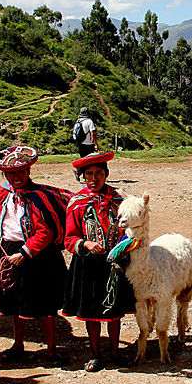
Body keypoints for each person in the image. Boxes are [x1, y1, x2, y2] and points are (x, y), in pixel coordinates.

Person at [0, 145, 72, 366]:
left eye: (20, 172)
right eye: (11, 173)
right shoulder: (2, 191)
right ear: (5, 174)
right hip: (10, 250)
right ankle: (18, 344)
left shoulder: (38, 198)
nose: (16, 177)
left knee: (46, 305)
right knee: (15, 303)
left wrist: (25, 254)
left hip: (39, 255)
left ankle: (52, 349)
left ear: (28, 172)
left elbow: (46, 232)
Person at [62, 150, 136, 372]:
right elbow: (69, 238)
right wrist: (85, 244)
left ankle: (115, 351)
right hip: (88, 264)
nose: (94, 178)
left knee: (114, 310)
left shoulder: (119, 200)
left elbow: (130, 228)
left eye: (99, 173)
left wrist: (123, 245)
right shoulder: (77, 203)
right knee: (92, 311)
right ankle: (95, 353)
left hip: (115, 263)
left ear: (106, 174)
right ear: (83, 177)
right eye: (89, 174)